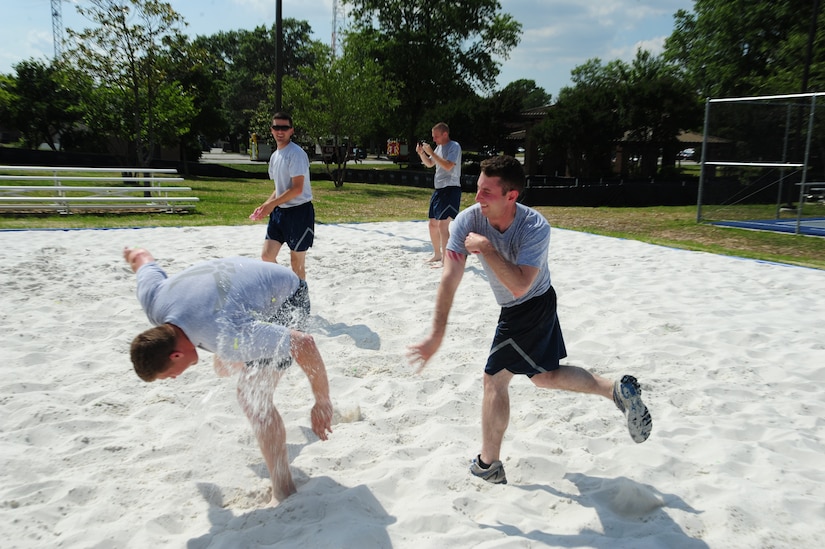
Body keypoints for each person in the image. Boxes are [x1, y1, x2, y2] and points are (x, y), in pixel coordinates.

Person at [407, 155, 652, 485]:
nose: (477, 198)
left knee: (494, 379)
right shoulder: (467, 221)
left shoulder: (535, 227)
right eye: (478, 189)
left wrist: (488, 249)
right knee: (545, 377)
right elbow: (450, 278)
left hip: (531, 305)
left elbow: (520, 286)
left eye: (487, 193)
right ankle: (616, 391)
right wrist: (436, 335)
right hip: (524, 308)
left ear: (511, 196)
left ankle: (488, 464)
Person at [123, 246, 333, 505]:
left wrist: (322, 401)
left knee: (252, 397)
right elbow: (141, 258)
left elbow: (304, 344)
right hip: (235, 296)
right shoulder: (155, 301)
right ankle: (243, 352)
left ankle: (284, 489)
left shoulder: (227, 335)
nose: (174, 378)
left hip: (287, 296)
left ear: (175, 356)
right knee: (223, 366)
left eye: (168, 376)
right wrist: (130, 252)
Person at [249, 112, 314, 281]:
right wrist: (265, 205)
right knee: (267, 257)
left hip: (299, 213)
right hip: (279, 213)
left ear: (291, 130)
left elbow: (297, 189)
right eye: (276, 127)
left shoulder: (296, 153)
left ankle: (299, 299)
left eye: (284, 127)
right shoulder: (274, 156)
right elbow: (279, 188)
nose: (280, 131)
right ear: (271, 130)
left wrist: (272, 205)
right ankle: (285, 284)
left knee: (296, 263)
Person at [416, 122, 462, 266]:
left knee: (443, 225)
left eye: (436, 136)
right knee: (432, 224)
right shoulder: (439, 148)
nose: (434, 139)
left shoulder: (454, 146)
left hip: (451, 188)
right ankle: (437, 254)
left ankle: (446, 259)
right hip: (439, 189)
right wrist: (422, 154)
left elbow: (448, 166)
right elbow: (430, 163)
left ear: (445, 134)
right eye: (433, 137)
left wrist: (432, 153)